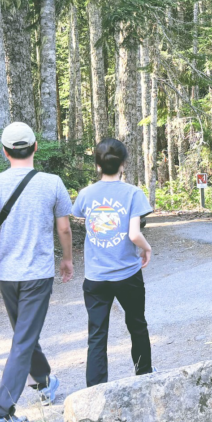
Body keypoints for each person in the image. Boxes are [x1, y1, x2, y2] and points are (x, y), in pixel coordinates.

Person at [0, 122, 74, 422]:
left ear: (4, 152)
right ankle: (1, 413)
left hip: (6, 276)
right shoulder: (52, 183)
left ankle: (44, 382)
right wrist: (68, 259)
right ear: (35, 148)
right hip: (37, 274)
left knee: (23, 335)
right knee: (24, 338)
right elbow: (65, 229)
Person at [72, 138, 154, 387]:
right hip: (127, 275)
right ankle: (144, 376)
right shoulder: (133, 194)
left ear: (97, 165)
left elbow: (80, 216)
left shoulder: (86, 195)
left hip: (96, 277)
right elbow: (133, 234)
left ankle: (96, 388)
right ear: (124, 164)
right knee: (137, 325)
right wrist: (146, 248)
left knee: (97, 335)